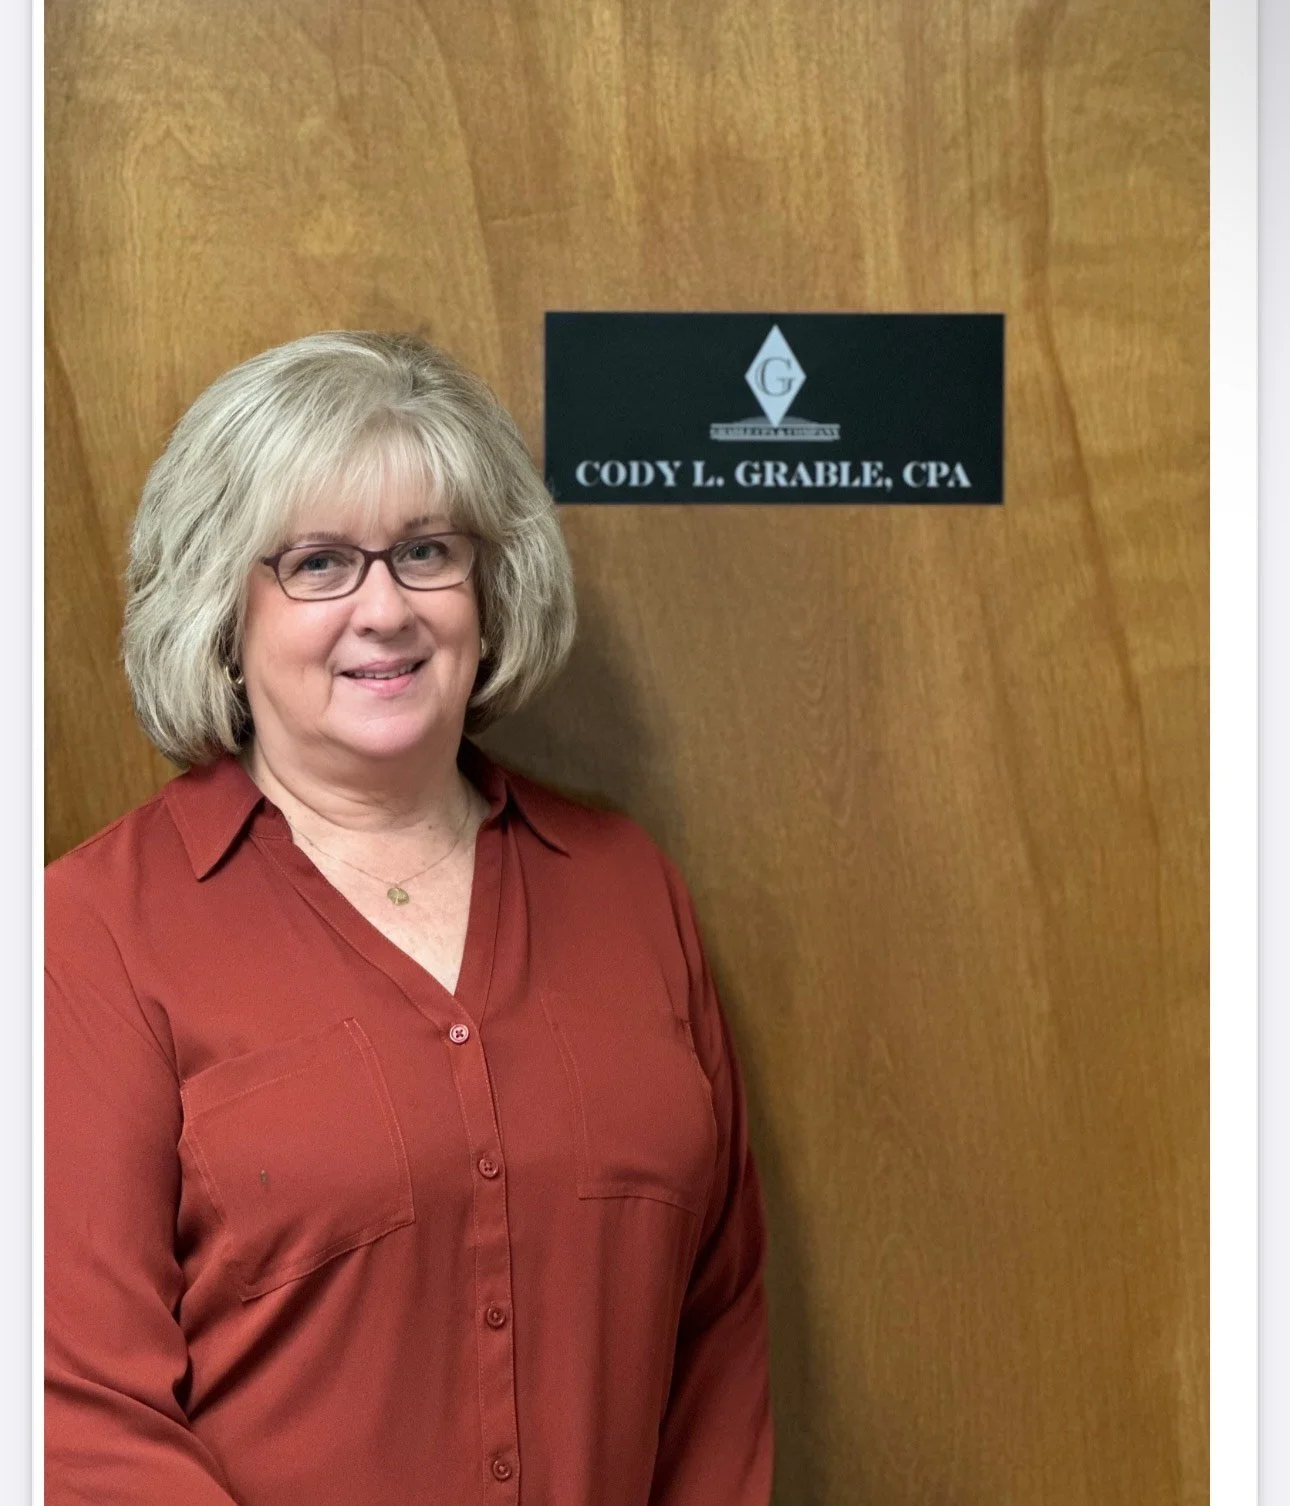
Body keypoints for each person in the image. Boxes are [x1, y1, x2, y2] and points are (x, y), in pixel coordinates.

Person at [44, 331, 774, 1505]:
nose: (383, 610)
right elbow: (72, 1414)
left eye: (426, 551)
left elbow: (718, 1332)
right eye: (320, 563)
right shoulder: (88, 935)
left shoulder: (628, 889)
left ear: (488, 586)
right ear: (223, 610)